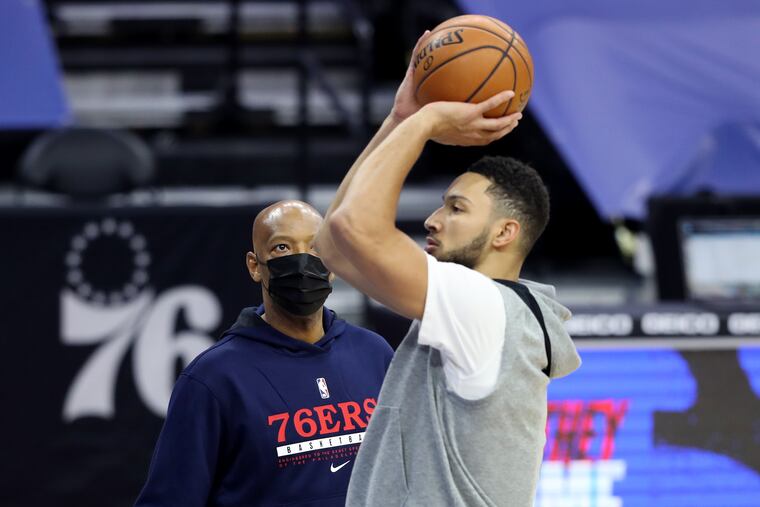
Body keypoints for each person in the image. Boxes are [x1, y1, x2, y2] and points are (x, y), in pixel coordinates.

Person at [314, 33, 581, 506]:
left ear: (504, 233)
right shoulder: (482, 310)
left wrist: (426, 119)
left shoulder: (482, 307)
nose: (433, 220)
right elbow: (332, 248)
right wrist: (399, 119)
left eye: (456, 209)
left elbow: (353, 225)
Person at [135, 200, 393, 507]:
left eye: (314, 248)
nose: (302, 261)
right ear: (255, 266)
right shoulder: (212, 378)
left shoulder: (374, 354)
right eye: (282, 248)